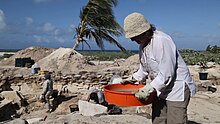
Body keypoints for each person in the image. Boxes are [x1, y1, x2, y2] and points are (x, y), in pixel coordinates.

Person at [123, 12, 196, 124]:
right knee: (158, 120)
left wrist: (148, 89)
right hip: (159, 88)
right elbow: (144, 69)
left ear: (144, 32)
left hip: (176, 88)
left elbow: (167, 74)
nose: (133, 40)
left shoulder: (162, 41)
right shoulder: (143, 46)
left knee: (175, 120)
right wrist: (132, 79)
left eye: (134, 36)